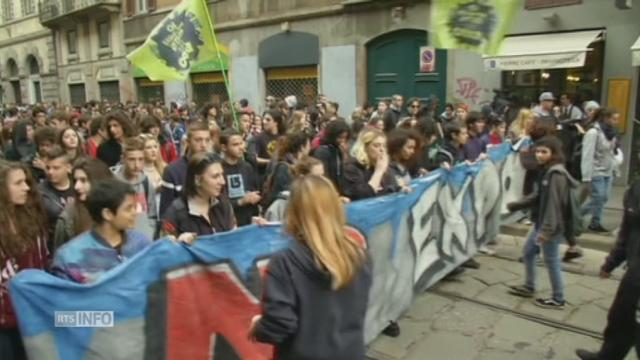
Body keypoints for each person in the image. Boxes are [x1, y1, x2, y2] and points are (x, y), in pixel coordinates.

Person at [249, 175, 372, 360]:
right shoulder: (359, 255)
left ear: (294, 214)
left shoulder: (285, 263)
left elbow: (279, 325)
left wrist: (259, 327)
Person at [507, 136, 576, 309]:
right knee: (529, 253)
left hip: (549, 226)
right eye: (537, 151)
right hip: (541, 222)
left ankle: (558, 298)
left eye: (544, 152)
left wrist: (546, 232)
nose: (539, 155)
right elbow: (539, 196)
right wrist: (517, 205)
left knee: (551, 260)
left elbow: (553, 205)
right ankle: (529, 286)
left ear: (554, 154)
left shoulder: (555, 174)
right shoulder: (547, 170)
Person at [575, 180, 640, 360]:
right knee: (620, 318)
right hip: (635, 273)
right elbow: (627, 232)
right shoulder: (635, 190)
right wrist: (611, 262)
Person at [51, 179, 153, 284]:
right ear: (107, 214)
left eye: (134, 207)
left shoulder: (141, 244)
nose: (135, 213)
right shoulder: (69, 256)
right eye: (128, 208)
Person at [0, 161, 49, 360]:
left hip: (31, 315)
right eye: (18, 183)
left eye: (26, 182)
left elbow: (42, 262)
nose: (26, 187)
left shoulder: (32, 219)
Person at [162, 152, 236, 237]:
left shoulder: (223, 206)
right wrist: (179, 243)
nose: (222, 182)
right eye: (215, 176)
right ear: (197, 180)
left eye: (222, 175)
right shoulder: (176, 212)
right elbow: (165, 246)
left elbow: (234, 239)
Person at [54, 158, 113, 250]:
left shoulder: (116, 208)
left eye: (83, 180)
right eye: (75, 181)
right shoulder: (68, 218)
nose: (77, 186)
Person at [160, 121, 212, 217]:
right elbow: (166, 212)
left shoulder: (214, 168)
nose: (203, 145)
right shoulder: (172, 171)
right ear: (187, 142)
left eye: (207, 140)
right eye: (198, 140)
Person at [581, 107, 619, 233]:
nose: (616, 122)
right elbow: (587, 154)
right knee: (599, 197)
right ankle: (580, 217)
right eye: (614, 119)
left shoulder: (612, 133)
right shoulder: (593, 132)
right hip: (595, 170)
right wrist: (586, 176)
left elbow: (611, 153)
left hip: (608, 170)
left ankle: (592, 221)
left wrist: (615, 168)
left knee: (604, 197)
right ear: (606, 118)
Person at [112, 137, 158, 239]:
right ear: (123, 159)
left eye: (140, 159)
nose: (137, 165)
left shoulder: (145, 182)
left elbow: (152, 214)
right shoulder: (113, 182)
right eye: (132, 160)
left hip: (144, 238)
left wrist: (150, 232)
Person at [343, 128, 402, 201]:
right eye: (376, 146)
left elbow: (392, 187)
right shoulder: (351, 168)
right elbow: (364, 196)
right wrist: (379, 172)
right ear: (365, 148)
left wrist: (400, 189)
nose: (382, 150)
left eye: (384, 146)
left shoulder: (384, 166)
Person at [264, 156, 326, 222]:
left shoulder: (325, 202)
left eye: (322, 176)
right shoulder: (282, 205)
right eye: (316, 177)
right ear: (302, 177)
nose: (322, 180)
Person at [220, 129, 260, 227]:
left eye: (241, 143)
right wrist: (241, 201)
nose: (241, 148)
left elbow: (253, 191)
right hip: (227, 223)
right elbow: (218, 204)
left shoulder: (247, 167)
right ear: (224, 147)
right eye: (235, 145)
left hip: (247, 222)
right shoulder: (218, 169)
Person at [261, 132, 311, 209]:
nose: (310, 148)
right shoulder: (284, 167)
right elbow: (283, 193)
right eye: (308, 145)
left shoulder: (296, 164)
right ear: (302, 147)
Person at [39, 146, 75, 244]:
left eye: (56, 168)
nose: (50, 172)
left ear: (68, 168)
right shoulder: (40, 193)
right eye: (48, 167)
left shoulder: (78, 187)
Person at [312, 119, 350, 193]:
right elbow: (324, 177)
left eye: (345, 138)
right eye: (340, 137)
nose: (342, 140)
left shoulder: (338, 150)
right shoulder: (322, 151)